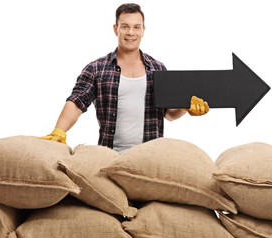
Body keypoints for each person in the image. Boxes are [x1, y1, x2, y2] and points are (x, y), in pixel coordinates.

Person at [40, 3, 209, 153]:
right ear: (116, 29)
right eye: (125, 26)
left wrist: (186, 108)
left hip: (150, 156)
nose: (131, 33)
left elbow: (169, 114)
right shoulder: (96, 68)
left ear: (143, 30)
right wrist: (59, 131)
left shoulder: (158, 68)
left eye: (136, 27)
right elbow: (77, 102)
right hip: (109, 155)